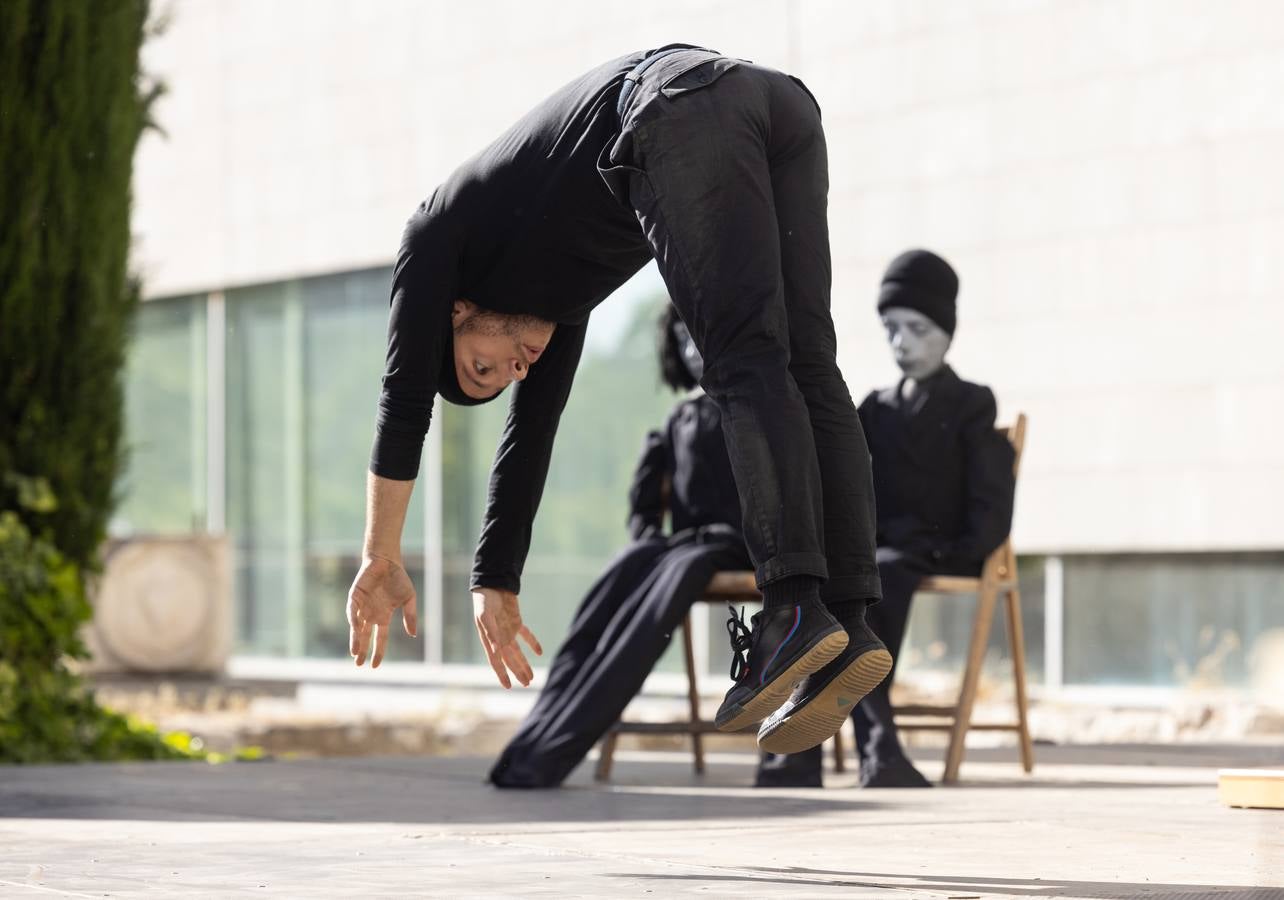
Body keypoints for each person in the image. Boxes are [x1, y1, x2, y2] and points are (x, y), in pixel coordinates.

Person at [346, 44, 890, 754]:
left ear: (455, 311)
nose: (513, 370)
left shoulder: (436, 233)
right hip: (774, 103)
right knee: (810, 365)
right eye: (501, 379)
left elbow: (404, 399)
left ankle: (790, 610)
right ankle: (846, 619)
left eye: (481, 368)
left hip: (677, 108)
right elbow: (529, 438)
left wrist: (381, 552)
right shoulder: (556, 306)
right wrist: (495, 580)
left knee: (742, 361)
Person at [756, 249, 1017, 787]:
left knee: (866, 589)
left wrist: (961, 548)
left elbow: (992, 502)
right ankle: (814, 752)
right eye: (891, 329)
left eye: (918, 329)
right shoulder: (873, 407)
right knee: (829, 587)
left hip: (934, 553)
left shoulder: (972, 403)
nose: (903, 343)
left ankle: (862, 747)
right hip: (880, 554)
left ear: (947, 332)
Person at [490, 306, 746, 788]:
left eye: (701, 338)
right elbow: (644, 505)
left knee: (649, 610)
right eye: (683, 340)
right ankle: (530, 742)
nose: (693, 350)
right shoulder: (680, 419)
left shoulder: (753, 410)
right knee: (626, 567)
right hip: (682, 547)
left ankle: (556, 747)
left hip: (739, 546)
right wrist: (647, 543)